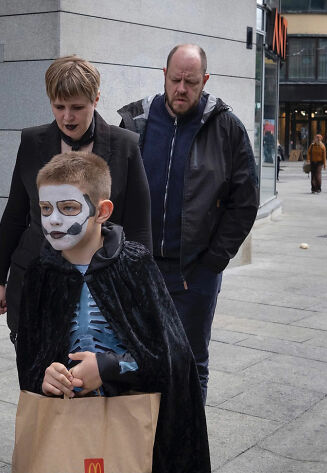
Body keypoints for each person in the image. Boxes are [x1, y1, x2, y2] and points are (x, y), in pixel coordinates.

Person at [17, 151, 211, 473]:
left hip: (134, 427)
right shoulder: (41, 275)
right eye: (45, 209)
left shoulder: (134, 266)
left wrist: (109, 367)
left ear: (102, 211)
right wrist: (45, 377)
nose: (53, 219)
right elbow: (30, 358)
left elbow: (172, 358)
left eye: (68, 208)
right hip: (64, 428)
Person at [117, 44, 259, 404]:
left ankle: (188, 450)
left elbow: (245, 202)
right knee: (135, 359)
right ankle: (148, 444)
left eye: (191, 82)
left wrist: (213, 262)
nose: (181, 89)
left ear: (205, 80)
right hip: (139, 270)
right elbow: (113, 193)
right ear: (164, 75)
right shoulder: (137, 122)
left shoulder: (226, 127)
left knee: (192, 362)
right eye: (176, 79)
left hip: (195, 274)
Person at [0, 55, 152, 344]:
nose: (67, 117)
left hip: (102, 287)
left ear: (96, 99)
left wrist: (141, 290)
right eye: (58, 106)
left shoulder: (125, 145)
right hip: (35, 282)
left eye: (77, 107)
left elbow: (140, 226)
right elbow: (15, 215)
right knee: (37, 378)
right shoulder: (30, 141)